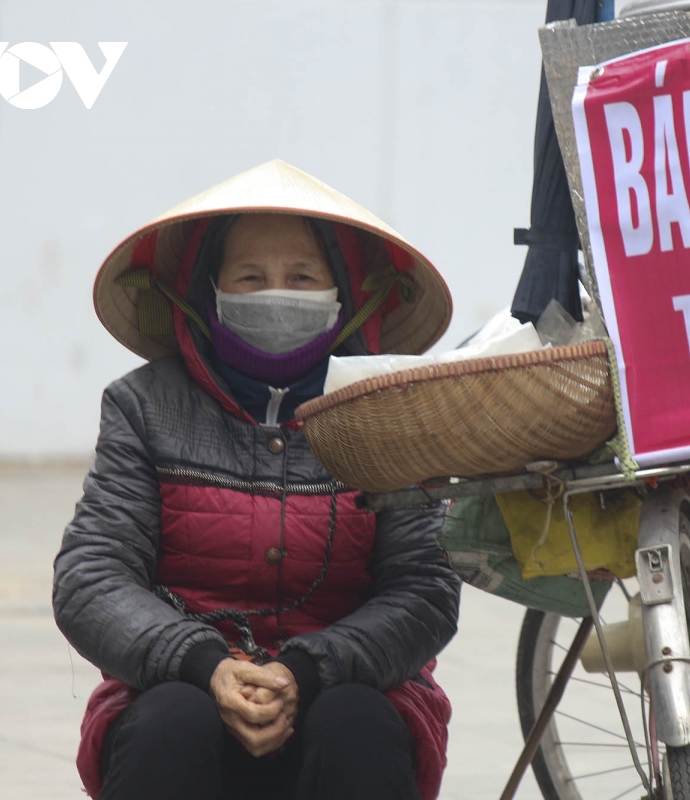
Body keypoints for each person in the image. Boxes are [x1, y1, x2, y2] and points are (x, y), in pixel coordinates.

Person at [53, 160, 461, 800]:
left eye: (302, 277)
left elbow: (424, 590)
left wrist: (306, 671)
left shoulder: (392, 417)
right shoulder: (144, 408)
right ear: (208, 290)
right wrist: (205, 666)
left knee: (356, 723)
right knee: (170, 722)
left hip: (345, 691)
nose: (277, 292)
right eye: (250, 277)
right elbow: (91, 576)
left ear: (343, 293)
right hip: (182, 688)